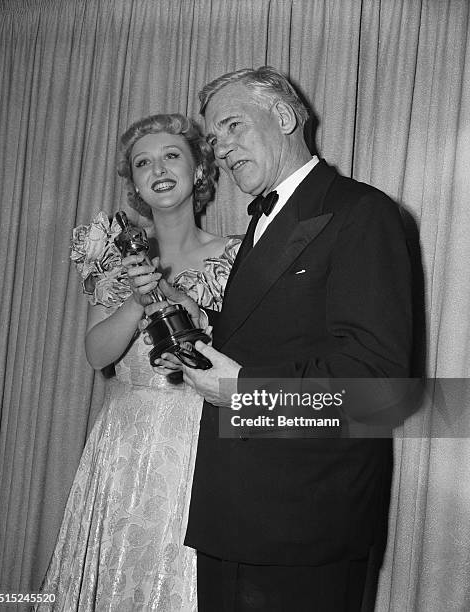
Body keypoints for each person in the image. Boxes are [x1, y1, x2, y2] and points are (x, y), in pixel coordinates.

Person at [154, 67, 413, 611]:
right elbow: (269, 339)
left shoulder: (362, 212)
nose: (220, 150)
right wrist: (196, 342)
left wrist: (244, 390)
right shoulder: (262, 222)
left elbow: (377, 382)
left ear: (285, 117)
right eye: (214, 139)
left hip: (304, 520)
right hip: (236, 511)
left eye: (231, 126)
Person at [37, 113, 240, 611]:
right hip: (123, 435)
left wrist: (171, 296)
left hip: (196, 434)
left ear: (198, 171)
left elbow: (232, 354)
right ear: (135, 185)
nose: (159, 168)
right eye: (143, 162)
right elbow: (96, 354)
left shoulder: (237, 256)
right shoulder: (114, 257)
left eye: (173, 155)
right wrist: (137, 296)